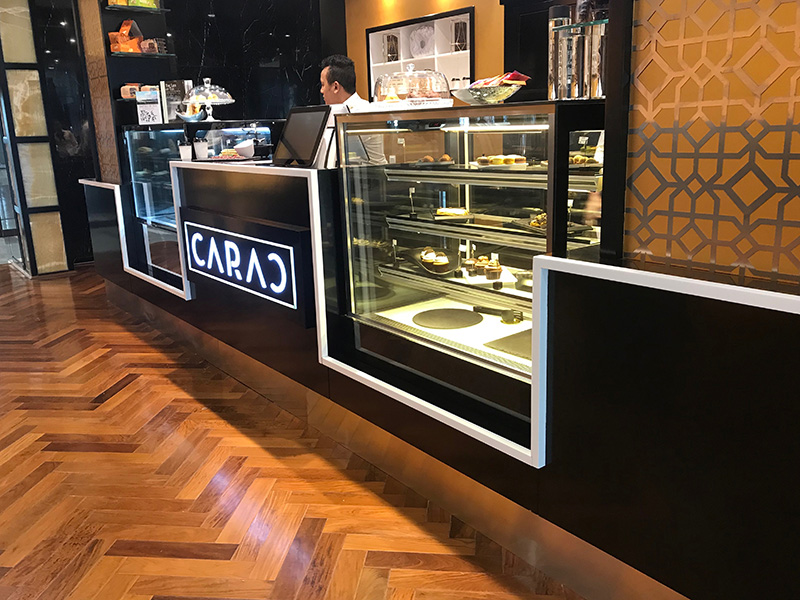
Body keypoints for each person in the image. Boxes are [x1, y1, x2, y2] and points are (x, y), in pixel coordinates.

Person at [320, 54, 387, 165]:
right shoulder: (343, 111)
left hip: (370, 174)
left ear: (336, 87)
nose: (321, 91)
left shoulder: (359, 112)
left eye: (323, 85)